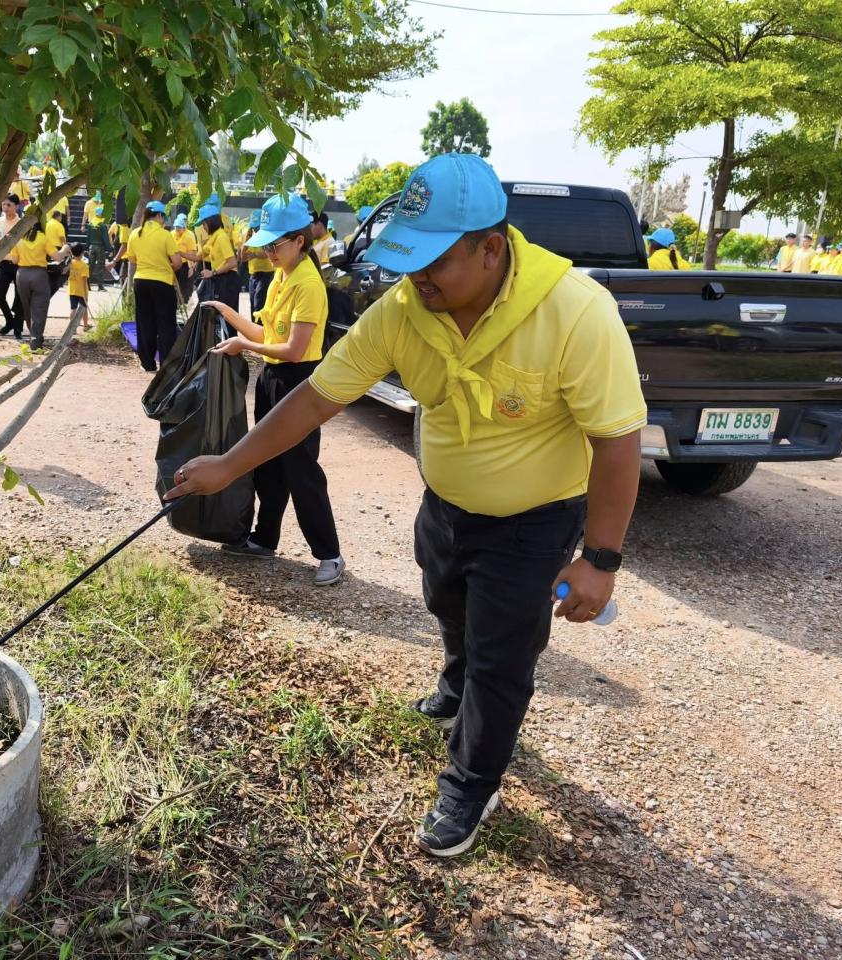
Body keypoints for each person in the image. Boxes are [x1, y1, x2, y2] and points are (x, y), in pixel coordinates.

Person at [167, 154, 646, 857]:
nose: (415, 279)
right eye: (407, 262)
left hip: (535, 521)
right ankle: (454, 678)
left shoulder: (576, 313)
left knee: (501, 659)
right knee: (446, 603)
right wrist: (231, 465)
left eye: (433, 263)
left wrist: (600, 557)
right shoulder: (405, 310)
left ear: (491, 249)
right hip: (447, 506)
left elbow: (616, 440)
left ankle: (469, 784)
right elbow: (316, 397)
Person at [203, 193, 345, 586]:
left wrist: (244, 346)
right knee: (267, 461)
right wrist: (229, 315)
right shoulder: (281, 278)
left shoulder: (309, 284)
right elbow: (267, 333)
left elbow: (294, 349)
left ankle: (330, 554)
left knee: (301, 469)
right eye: (266, 244)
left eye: (275, 244)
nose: (269, 251)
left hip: (299, 382)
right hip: (272, 377)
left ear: (300, 241)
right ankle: (264, 540)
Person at [125, 200, 183, 371]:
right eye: (163, 216)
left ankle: (147, 363)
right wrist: (164, 265)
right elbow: (177, 262)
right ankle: (166, 364)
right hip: (162, 282)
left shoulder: (135, 234)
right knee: (165, 324)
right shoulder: (165, 235)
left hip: (140, 281)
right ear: (158, 215)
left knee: (145, 323)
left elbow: (132, 259)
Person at [13, 211, 69, 348]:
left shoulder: (19, 238)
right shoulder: (43, 238)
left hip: (22, 275)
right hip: (39, 275)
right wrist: (65, 248)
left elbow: (14, 259)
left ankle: (33, 335)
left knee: (27, 308)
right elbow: (57, 257)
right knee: (39, 309)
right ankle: (36, 341)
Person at [0, 194, 25, 337]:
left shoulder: (22, 223)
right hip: (3, 263)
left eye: (9, 205)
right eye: (3, 204)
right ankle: (10, 321)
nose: (5, 207)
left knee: (20, 298)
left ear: (17, 206)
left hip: (19, 264)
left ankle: (18, 329)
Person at [198, 201, 239, 309]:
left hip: (228, 280)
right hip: (221, 279)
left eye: (204, 224)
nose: (203, 228)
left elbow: (232, 262)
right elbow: (199, 256)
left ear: (210, 222)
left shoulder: (221, 237)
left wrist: (212, 273)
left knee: (228, 317)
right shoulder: (213, 238)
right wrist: (178, 253)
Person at [243, 210, 275, 317]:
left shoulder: (267, 236)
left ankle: (261, 329)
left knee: (259, 304)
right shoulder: (251, 237)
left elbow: (268, 253)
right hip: (253, 275)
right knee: (253, 304)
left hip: (266, 274)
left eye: (257, 226)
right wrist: (246, 242)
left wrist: (255, 255)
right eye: (253, 227)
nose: (255, 229)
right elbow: (242, 258)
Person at [171, 212, 198, 305]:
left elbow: (192, 253)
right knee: (173, 286)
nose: (177, 229)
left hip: (185, 264)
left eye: (179, 227)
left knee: (184, 287)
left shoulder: (189, 235)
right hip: (173, 264)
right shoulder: (171, 234)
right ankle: (176, 304)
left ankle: (184, 304)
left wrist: (191, 267)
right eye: (176, 227)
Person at [68, 243, 91, 329]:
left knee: (73, 309)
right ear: (82, 253)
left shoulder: (70, 264)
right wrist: (85, 293)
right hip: (82, 292)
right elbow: (84, 280)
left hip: (72, 290)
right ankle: (85, 325)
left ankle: (72, 328)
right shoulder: (84, 266)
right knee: (83, 309)